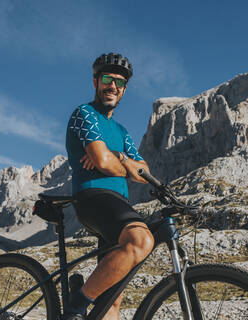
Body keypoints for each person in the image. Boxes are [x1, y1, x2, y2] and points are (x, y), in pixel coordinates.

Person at [65, 53, 154, 320]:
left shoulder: (122, 131)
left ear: (125, 89)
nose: (113, 86)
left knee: (111, 304)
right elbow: (103, 163)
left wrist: (120, 158)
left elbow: (144, 173)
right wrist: (117, 163)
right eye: (107, 79)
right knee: (141, 240)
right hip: (94, 198)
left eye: (119, 82)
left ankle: (86, 302)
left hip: (118, 205)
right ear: (96, 82)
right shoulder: (86, 114)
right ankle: (74, 307)